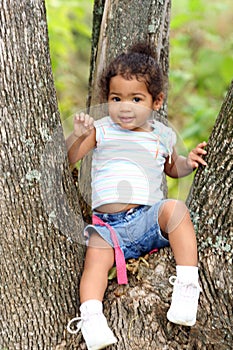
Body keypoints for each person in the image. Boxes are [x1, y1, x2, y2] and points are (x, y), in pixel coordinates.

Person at [66, 43, 207, 350]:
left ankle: (186, 284)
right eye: (116, 99)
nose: (125, 107)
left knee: (176, 209)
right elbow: (72, 156)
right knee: (95, 260)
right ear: (107, 100)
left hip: (145, 220)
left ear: (156, 101)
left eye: (136, 99)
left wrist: (189, 162)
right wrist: (77, 134)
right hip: (109, 229)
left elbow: (172, 168)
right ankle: (92, 317)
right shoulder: (102, 130)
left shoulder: (163, 135)